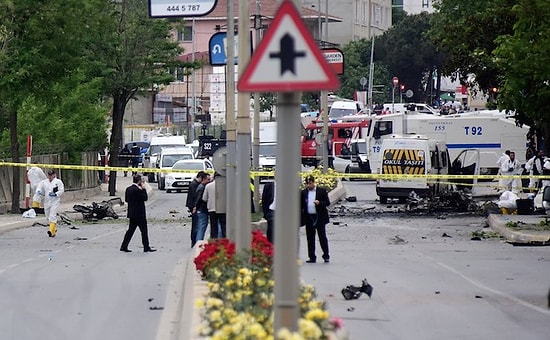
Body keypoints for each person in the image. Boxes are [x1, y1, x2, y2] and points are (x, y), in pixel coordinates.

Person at [120, 174, 156, 252]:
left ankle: (124, 246)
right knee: (144, 231)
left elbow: (126, 200)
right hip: (140, 214)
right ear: (139, 181)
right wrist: (143, 189)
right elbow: (145, 198)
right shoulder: (138, 190)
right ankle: (146, 247)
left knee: (130, 231)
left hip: (132, 213)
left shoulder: (128, 189)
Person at [300, 175, 330, 263]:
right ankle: (312, 256)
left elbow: (327, 203)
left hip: (319, 217)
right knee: (310, 238)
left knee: (322, 237)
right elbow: (301, 205)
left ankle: (326, 255)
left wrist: (319, 203)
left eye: (310, 183)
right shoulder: (303, 193)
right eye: (307, 184)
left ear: (314, 182)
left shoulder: (321, 191)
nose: (309, 185)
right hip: (309, 218)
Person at [34, 170, 65, 237]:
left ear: (54, 175)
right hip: (47, 201)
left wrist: (56, 194)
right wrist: (39, 191)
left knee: (52, 215)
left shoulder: (58, 182)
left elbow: (61, 190)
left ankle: (51, 231)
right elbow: (39, 187)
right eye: (49, 175)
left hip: (55, 201)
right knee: (48, 216)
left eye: (51, 175)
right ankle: (53, 228)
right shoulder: (44, 182)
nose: (50, 176)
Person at [202, 172, 226, 239]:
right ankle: (224, 240)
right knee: (224, 226)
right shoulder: (226, 186)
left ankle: (214, 241)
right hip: (223, 209)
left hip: (212, 209)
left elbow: (204, 198)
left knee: (213, 226)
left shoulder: (208, 186)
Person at [186, 171, 207, 247]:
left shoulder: (195, 184)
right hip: (194, 206)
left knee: (196, 224)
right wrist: (195, 207)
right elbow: (196, 197)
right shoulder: (194, 185)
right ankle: (194, 241)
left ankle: (194, 240)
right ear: (201, 178)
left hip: (193, 206)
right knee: (195, 224)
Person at [193, 172, 211, 243]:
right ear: (204, 179)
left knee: (201, 226)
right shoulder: (202, 188)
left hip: (201, 210)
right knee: (202, 227)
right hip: (202, 210)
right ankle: (198, 242)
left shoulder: (201, 186)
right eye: (208, 179)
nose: (209, 181)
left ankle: (198, 241)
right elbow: (199, 199)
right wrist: (196, 207)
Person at [261, 179, 275, 243]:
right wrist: (266, 213)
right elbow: (264, 200)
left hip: (283, 212)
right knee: (271, 228)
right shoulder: (268, 186)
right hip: (271, 211)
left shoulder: (286, 186)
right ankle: (271, 244)